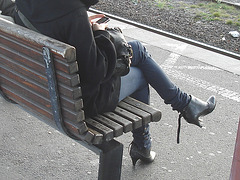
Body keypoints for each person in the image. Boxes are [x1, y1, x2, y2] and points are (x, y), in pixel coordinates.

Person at [14, 0, 216, 166]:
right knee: (141, 72)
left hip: (42, 89)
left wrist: (86, 32)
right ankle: (146, 142)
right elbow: (96, 72)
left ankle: (183, 105)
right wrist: (99, 32)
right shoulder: (74, 12)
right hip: (80, 105)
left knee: (136, 49)